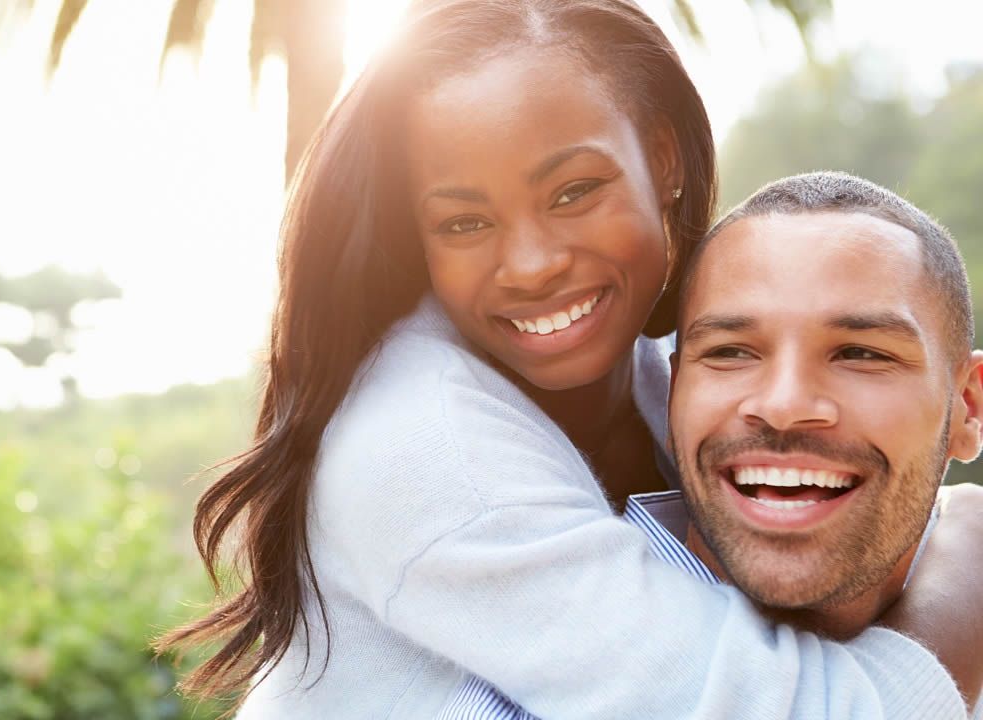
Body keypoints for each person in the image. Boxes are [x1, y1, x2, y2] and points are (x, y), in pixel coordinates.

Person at [157, 2, 983, 717]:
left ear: (662, 161)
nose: (531, 264)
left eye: (572, 192)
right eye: (463, 224)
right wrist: (962, 579)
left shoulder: (677, 380)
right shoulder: (425, 444)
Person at [444, 172, 983, 718]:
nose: (783, 405)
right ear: (676, 389)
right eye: (731, 352)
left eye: (861, 355)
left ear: (969, 407)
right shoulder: (528, 695)